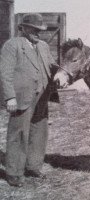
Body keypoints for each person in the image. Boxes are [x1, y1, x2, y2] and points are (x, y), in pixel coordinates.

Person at [0, 13, 59, 187]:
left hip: (42, 96)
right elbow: (5, 73)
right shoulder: (12, 45)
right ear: (23, 28)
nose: (37, 33)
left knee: (39, 132)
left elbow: (52, 66)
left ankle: (33, 167)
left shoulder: (43, 46)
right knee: (18, 133)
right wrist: (10, 97)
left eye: (39, 30)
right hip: (21, 97)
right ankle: (14, 173)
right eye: (33, 29)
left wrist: (63, 73)